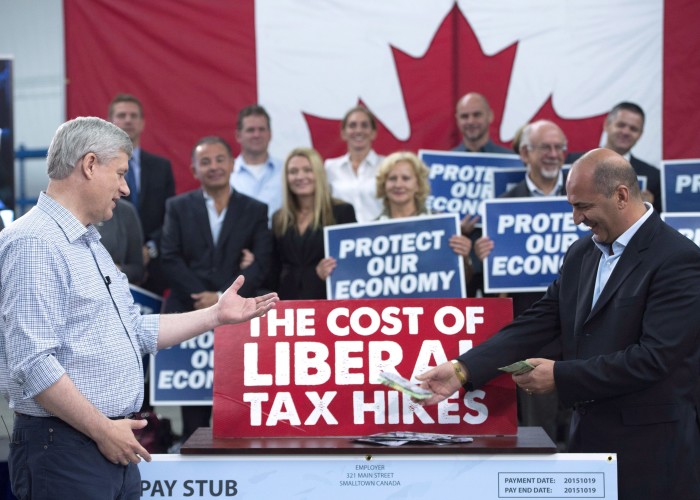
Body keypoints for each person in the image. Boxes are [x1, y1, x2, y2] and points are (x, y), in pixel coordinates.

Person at [0, 117, 278, 499]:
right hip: (68, 449)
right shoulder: (34, 242)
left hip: (108, 443)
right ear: (89, 164)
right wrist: (103, 429)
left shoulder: (88, 241)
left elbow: (135, 330)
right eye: (120, 174)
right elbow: (33, 363)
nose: (126, 188)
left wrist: (217, 315)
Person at [416, 148, 700, 500]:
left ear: (622, 196)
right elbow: (538, 322)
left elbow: (653, 358)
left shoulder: (678, 259)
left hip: (654, 456)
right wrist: (462, 369)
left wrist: (560, 376)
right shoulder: (581, 254)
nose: (576, 218)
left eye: (583, 206)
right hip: (589, 445)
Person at [161, 136, 272, 442]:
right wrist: (204, 297)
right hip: (189, 315)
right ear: (194, 169)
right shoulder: (177, 207)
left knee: (236, 403)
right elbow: (169, 258)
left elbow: (262, 261)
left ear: (232, 164)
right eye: (205, 161)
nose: (214, 167)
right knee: (193, 417)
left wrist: (222, 295)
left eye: (220, 159)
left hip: (237, 320)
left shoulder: (255, 210)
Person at [473, 119, 569, 443]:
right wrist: (485, 260)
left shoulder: (583, 194)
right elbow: (491, 289)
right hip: (534, 333)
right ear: (526, 153)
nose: (554, 154)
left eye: (559, 148)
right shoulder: (502, 205)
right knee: (541, 436)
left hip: (582, 332)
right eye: (546, 147)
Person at [109, 93, 176, 295]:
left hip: (154, 265)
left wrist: (149, 249)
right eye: (122, 115)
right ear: (111, 122)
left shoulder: (161, 167)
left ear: (142, 123)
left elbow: (170, 216)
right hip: (114, 263)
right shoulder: (100, 167)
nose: (128, 120)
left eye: (133, 115)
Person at [270, 147, 356, 300]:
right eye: (293, 171)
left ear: (319, 174)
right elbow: (273, 266)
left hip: (326, 302)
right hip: (286, 302)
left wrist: (329, 270)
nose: (300, 176)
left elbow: (352, 264)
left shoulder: (342, 212)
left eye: (307, 170)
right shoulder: (279, 218)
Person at [372, 151, 473, 274]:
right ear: (383, 185)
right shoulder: (371, 230)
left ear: (418, 184)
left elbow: (462, 281)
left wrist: (464, 258)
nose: (398, 184)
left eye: (406, 178)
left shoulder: (441, 225)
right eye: (392, 178)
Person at [568, 102, 662, 212]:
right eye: (621, 125)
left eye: (633, 129)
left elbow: (659, 222)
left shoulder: (653, 177)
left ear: (640, 134)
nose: (626, 132)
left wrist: (648, 208)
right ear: (606, 125)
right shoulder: (574, 163)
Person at [325, 105, 384, 223]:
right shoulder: (330, 167)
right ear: (343, 133)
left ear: (373, 133)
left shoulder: (387, 166)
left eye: (364, 125)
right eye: (352, 125)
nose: (358, 130)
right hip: (342, 235)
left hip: (379, 234)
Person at [230, 104, 284, 225]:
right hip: (239, 242)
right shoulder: (227, 174)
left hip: (279, 240)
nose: (256, 135)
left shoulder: (286, 171)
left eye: (261, 129)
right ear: (238, 136)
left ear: (270, 134)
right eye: (250, 130)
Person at [96, 199, 144, 284]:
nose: (125, 190)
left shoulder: (125, 211)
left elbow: (138, 270)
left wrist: (115, 270)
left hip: (110, 287)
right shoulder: (71, 205)